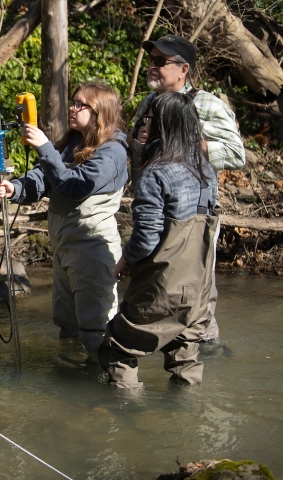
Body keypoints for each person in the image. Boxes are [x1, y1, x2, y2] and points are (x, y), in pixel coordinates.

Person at [128, 34, 246, 344]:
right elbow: (140, 154)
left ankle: (204, 354)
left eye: (159, 62)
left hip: (193, 216)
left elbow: (236, 154)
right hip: (153, 210)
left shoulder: (206, 103)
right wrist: (138, 143)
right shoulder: (148, 102)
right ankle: (163, 348)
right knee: (154, 286)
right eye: (151, 61)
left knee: (196, 292)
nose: (152, 67)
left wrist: (188, 143)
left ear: (184, 69)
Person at [0, 81, 128, 355]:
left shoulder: (112, 151)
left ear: (100, 111)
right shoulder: (72, 143)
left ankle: (104, 387)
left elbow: (74, 185)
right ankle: (69, 387)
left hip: (92, 250)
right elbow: (46, 177)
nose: (72, 108)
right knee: (67, 326)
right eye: (73, 101)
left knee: (96, 329)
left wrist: (45, 148)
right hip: (64, 250)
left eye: (81, 104)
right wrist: (17, 188)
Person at [99, 92, 219, 388]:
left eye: (149, 118)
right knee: (185, 355)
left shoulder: (155, 173)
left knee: (118, 347)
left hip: (163, 284)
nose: (143, 123)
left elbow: (146, 237)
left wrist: (125, 260)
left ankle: (127, 421)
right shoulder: (207, 171)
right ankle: (186, 424)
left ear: (163, 125)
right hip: (199, 286)